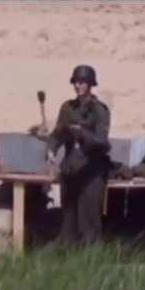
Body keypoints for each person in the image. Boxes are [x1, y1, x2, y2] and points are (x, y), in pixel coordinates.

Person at [47, 64, 111, 246]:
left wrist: (82, 134)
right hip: (70, 169)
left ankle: (91, 261)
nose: (77, 85)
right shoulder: (67, 108)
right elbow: (56, 134)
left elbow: (103, 143)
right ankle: (69, 260)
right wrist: (51, 149)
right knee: (68, 222)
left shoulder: (100, 110)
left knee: (89, 223)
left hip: (91, 171)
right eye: (75, 82)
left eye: (82, 82)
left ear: (90, 84)